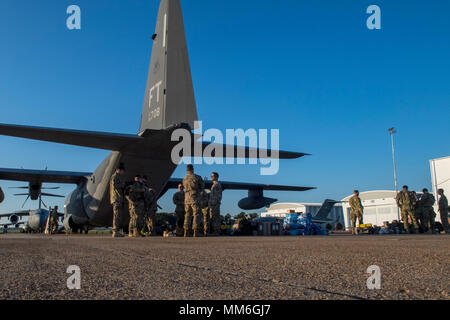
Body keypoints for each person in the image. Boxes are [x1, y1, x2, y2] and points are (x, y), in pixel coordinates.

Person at [182, 164, 205, 237]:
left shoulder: (184, 178)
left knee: (187, 214)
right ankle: (195, 231)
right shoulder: (197, 177)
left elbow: (184, 186)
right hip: (195, 197)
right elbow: (202, 187)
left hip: (186, 198)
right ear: (193, 169)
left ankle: (186, 231)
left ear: (187, 170)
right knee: (196, 214)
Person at [109, 163, 126, 238]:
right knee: (117, 215)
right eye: (123, 171)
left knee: (118, 215)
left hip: (118, 198)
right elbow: (116, 186)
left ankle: (116, 231)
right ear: (118, 170)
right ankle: (115, 232)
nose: (123, 172)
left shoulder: (117, 176)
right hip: (117, 198)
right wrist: (123, 185)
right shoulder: (115, 177)